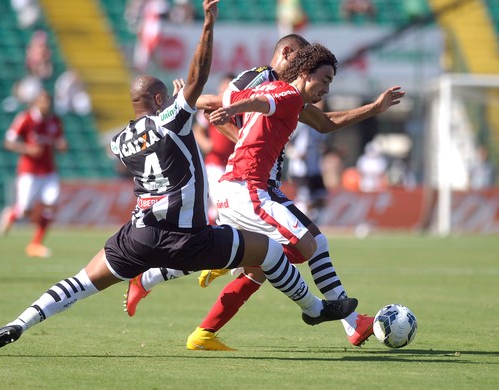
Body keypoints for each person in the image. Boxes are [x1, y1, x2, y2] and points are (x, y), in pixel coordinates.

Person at [0, 1, 357, 356]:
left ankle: (18, 323)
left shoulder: (121, 142)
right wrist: (207, 26)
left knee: (79, 283)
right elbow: (198, 76)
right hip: (188, 235)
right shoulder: (172, 119)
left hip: (138, 234)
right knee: (270, 253)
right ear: (160, 102)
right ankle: (316, 307)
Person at [124, 34, 404, 350]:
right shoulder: (268, 82)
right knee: (301, 248)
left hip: (257, 187)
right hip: (247, 187)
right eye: (323, 78)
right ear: (299, 64)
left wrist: (375, 107)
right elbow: (227, 101)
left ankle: (194, 321)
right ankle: (327, 314)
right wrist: (189, 104)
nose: (327, 88)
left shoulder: (292, 96)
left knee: (269, 263)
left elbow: (325, 122)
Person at [0, 90, 67, 258]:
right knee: (25, 211)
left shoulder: (55, 121)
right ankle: (12, 214)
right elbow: (8, 142)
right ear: (36, 103)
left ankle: (35, 243)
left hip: (49, 171)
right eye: (42, 101)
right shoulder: (26, 118)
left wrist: (62, 145)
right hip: (29, 171)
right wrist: (27, 149)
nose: (46, 105)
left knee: (52, 204)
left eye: (48, 102)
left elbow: (59, 141)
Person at [193, 73, 237, 225]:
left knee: (221, 205)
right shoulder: (214, 106)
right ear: (220, 86)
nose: (226, 88)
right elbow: (198, 129)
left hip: (232, 164)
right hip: (214, 163)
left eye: (230, 85)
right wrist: (205, 143)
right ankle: (212, 234)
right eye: (225, 85)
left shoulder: (237, 107)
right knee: (220, 203)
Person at [285, 99, 328, 221]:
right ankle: (298, 223)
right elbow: (286, 141)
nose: (321, 104)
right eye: (318, 102)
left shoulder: (321, 124)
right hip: (301, 169)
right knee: (305, 200)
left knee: (321, 199)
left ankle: (313, 224)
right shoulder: (301, 123)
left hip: (315, 168)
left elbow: (321, 144)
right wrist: (296, 154)